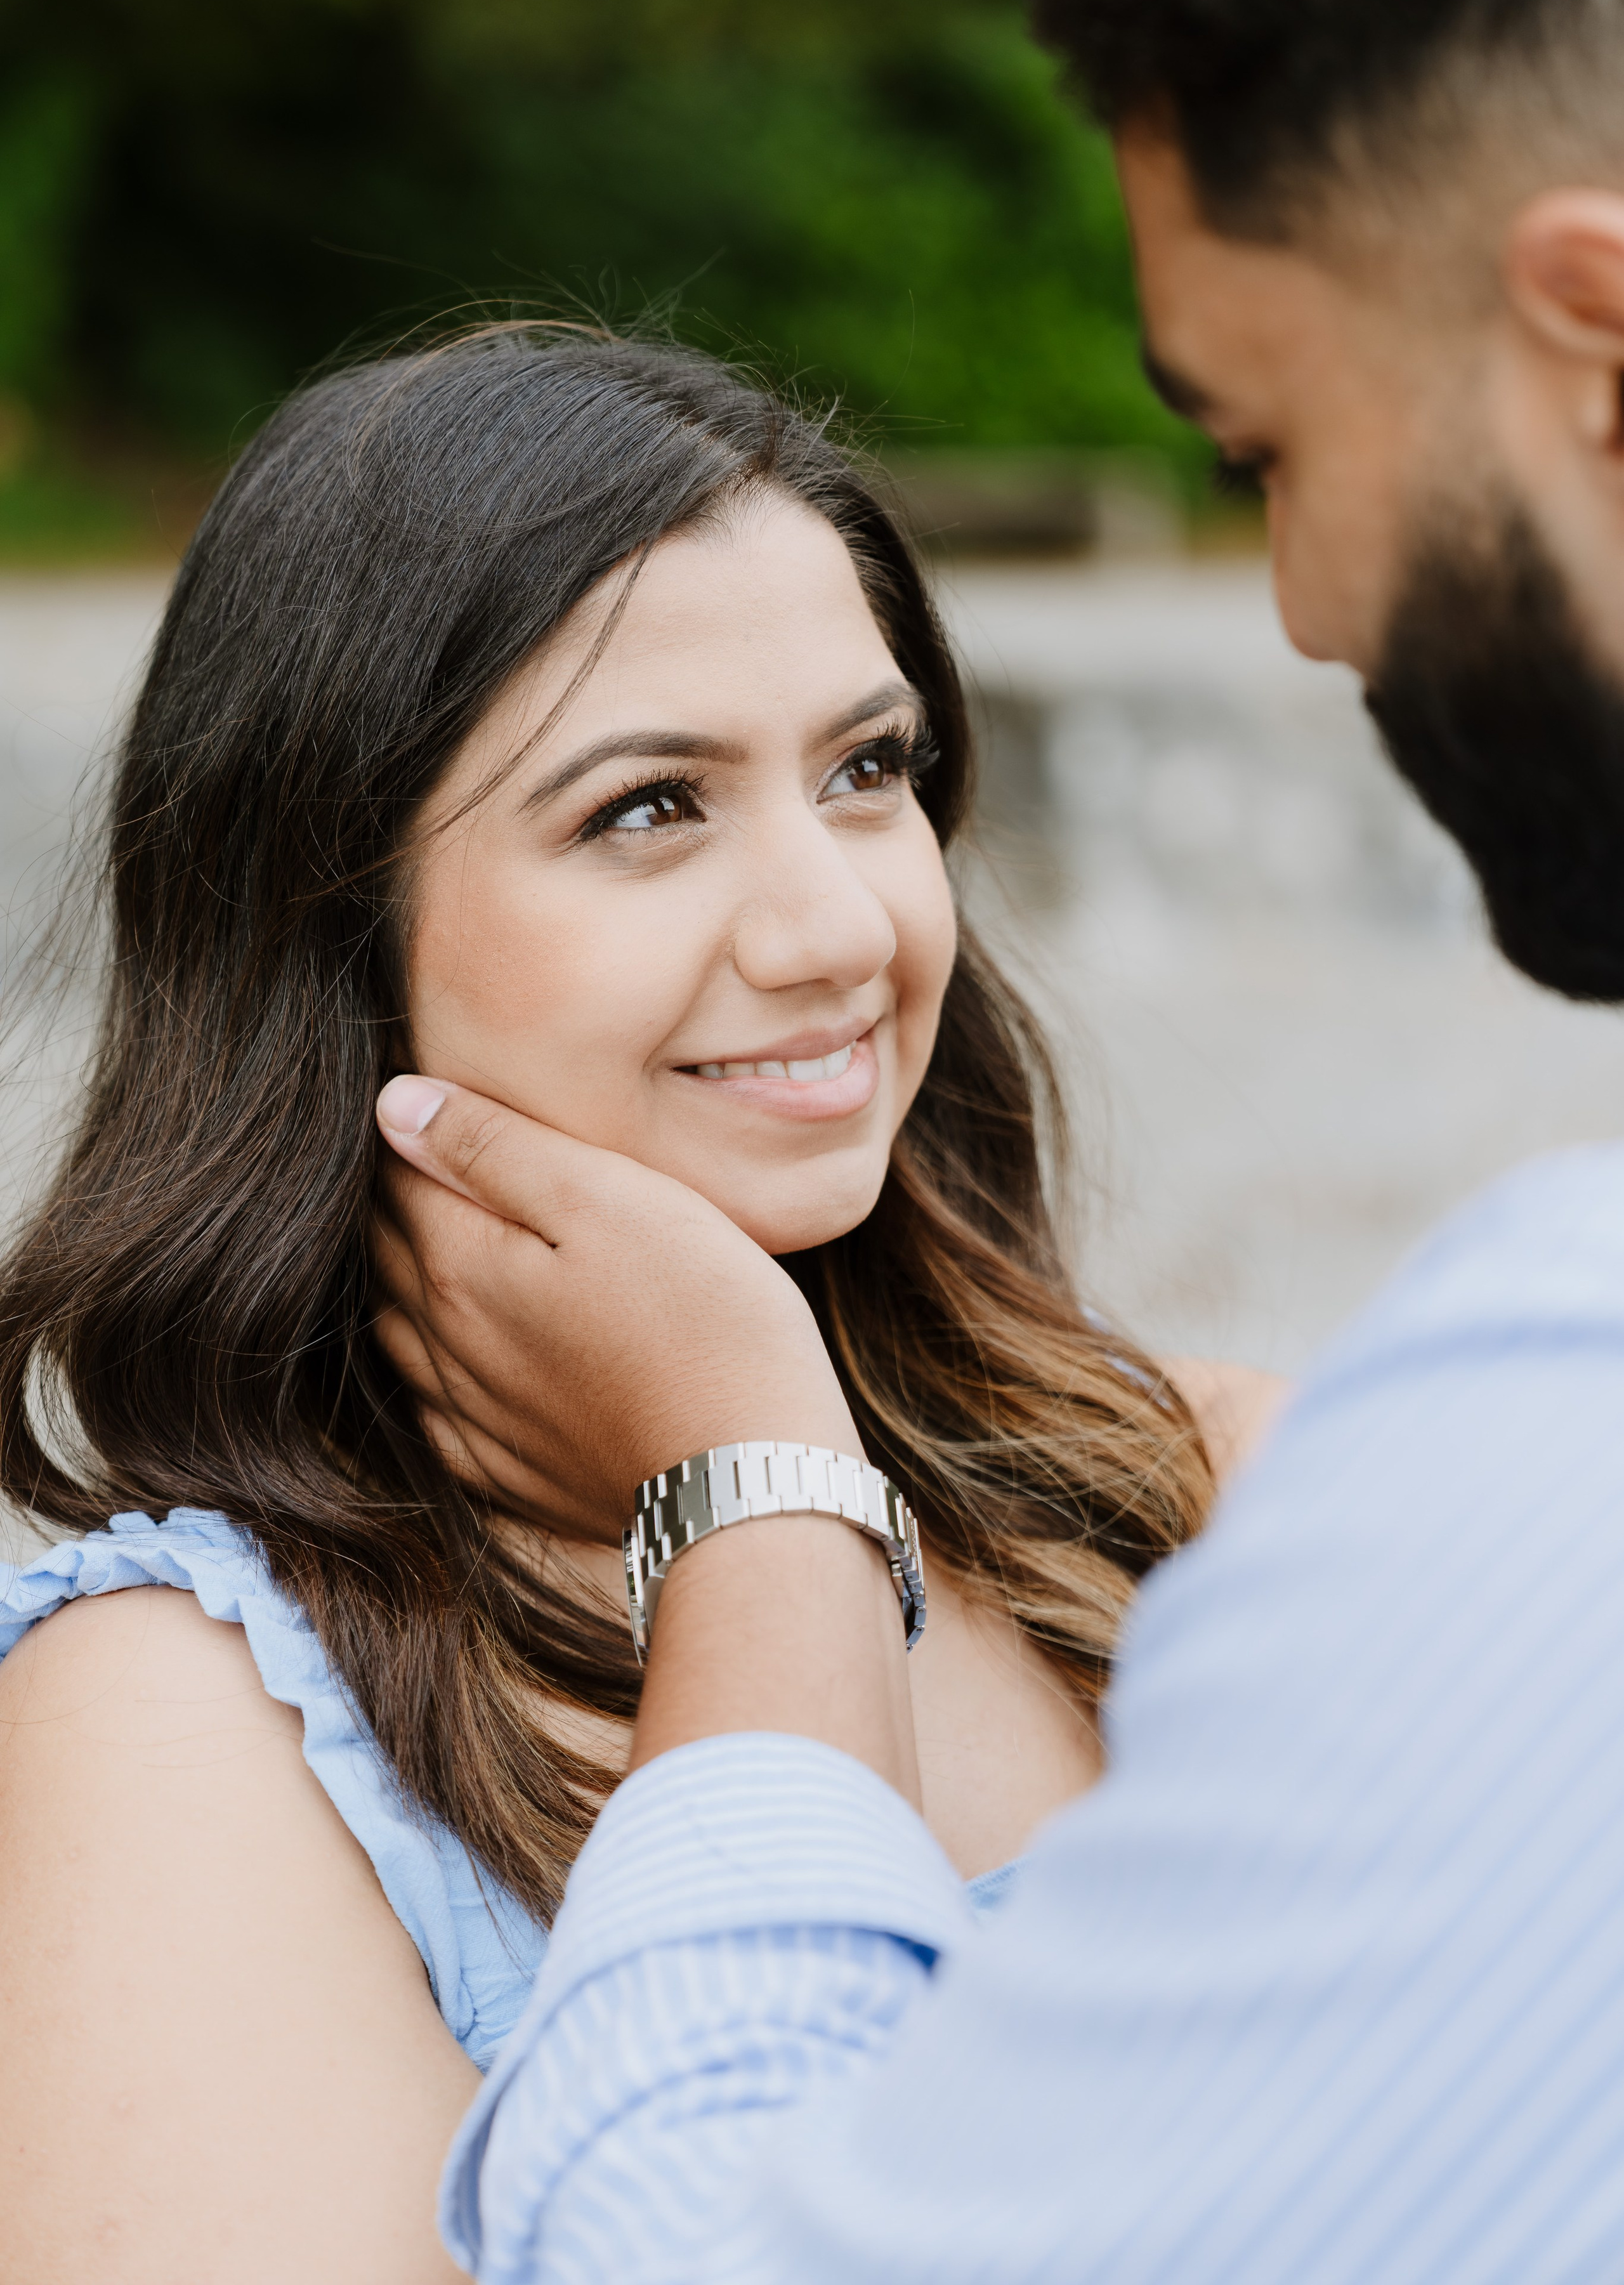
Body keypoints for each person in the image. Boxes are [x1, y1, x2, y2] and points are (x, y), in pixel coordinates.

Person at [369, 0, 1624, 2279]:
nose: (1307, 606)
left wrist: (750, 1518)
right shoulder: (179, 1688)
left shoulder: (1462, 1471)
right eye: (646, 806)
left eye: (1268, 448)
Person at [0, 327, 1273, 2281]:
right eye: (649, 810)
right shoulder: (181, 1724)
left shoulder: (1211, 1500)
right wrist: (756, 1494)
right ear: (330, 937)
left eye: (870, 771)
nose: (841, 926)